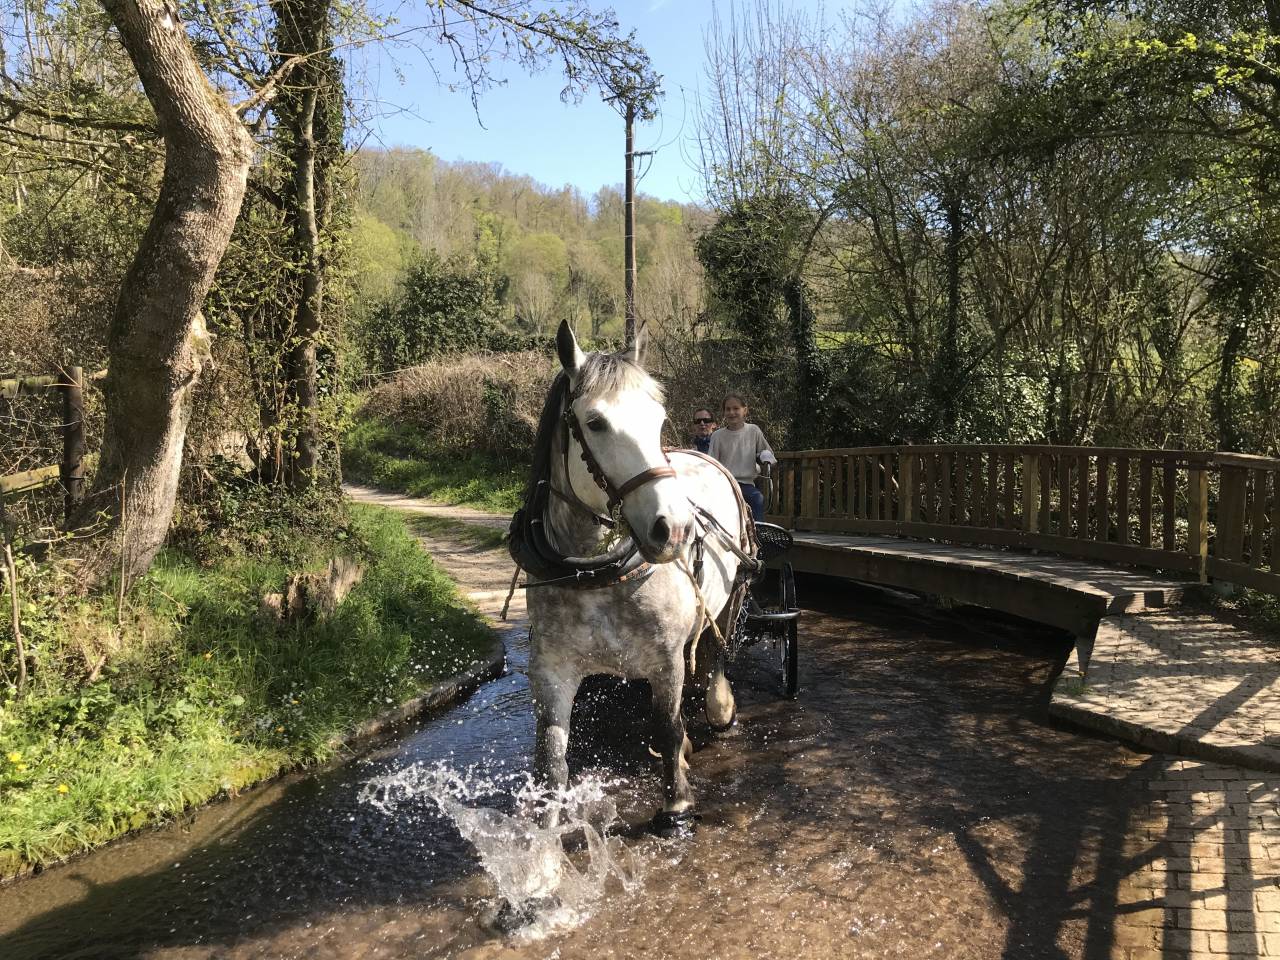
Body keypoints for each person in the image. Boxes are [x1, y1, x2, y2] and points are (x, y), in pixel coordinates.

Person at [709, 393, 776, 521]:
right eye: (728, 409)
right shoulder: (717, 436)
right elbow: (712, 462)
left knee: (757, 498)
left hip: (746, 484)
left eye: (736, 408)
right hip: (725, 484)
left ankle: (758, 535)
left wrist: (765, 456)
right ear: (723, 412)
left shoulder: (753, 431)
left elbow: (767, 452)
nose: (731, 412)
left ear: (745, 410)